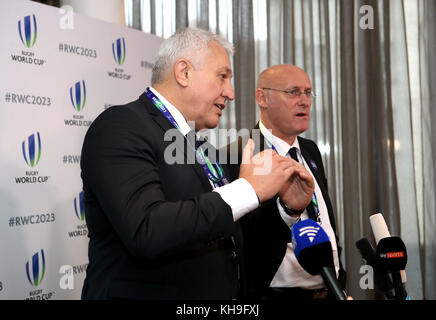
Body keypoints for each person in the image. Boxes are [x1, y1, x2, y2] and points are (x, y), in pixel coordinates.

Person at [80, 29, 313, 299]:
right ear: (184, 72)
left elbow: (234, 244)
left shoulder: (202, 149)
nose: (231, 93)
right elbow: (148, 230)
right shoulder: (121, 126)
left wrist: (288, 209)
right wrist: (249, 189)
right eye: (222, 76)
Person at [226, 64, 346, 300]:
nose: (305, 101)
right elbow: (244, 240)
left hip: (330, 289)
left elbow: (325, 220)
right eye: (293, 92)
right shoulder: (238, 155)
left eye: (308, 92)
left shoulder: (311, 151)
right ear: (263, 98)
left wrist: (340, 281)